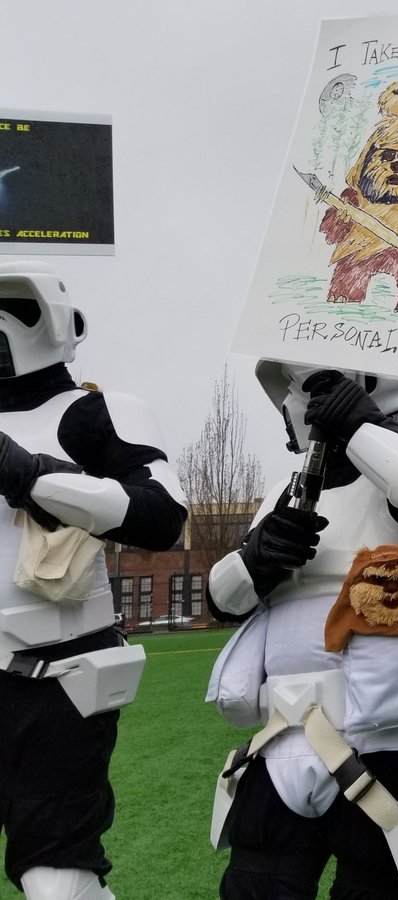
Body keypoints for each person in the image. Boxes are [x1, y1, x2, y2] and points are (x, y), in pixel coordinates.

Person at [206, 363, 398, 899]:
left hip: (391, 734)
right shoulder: (284, 490)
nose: (297, 401)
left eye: (315, 383)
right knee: (255, 884)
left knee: (374, 887)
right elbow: (223, 602)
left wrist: (363, 428)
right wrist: (255, 560)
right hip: (283, 732)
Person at [0, 260, 187, 900]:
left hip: (54, 677)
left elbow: (161, 515)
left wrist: (31, 475)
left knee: (58, 880)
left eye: (12, 305)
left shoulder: (96, 414)